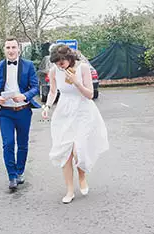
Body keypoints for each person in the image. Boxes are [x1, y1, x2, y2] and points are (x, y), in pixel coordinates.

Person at [41, 44, 109, 204]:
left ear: (69, 58)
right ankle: (70, 190)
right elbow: (52, 92)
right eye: (56, 62)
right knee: (65, 153)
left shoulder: (83, 68)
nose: (59, 65)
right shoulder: (53, 71)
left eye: (62, 62)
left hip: (83, 111)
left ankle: (82, 176)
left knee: (80, 150)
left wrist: (76, 82)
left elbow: (90, 95)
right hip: (64, 112)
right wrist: (47, 106)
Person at [0, 37, 41, 191]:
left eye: (13, 47)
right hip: (6, 112)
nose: (11, 50)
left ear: (19, 49)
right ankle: (12, 176)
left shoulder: (28, 66)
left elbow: (35, 87)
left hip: (23, 111)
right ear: (4, 49)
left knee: (22, 144)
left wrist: (25, 96)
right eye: (8, 47)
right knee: (8, 143)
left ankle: (20, 171)